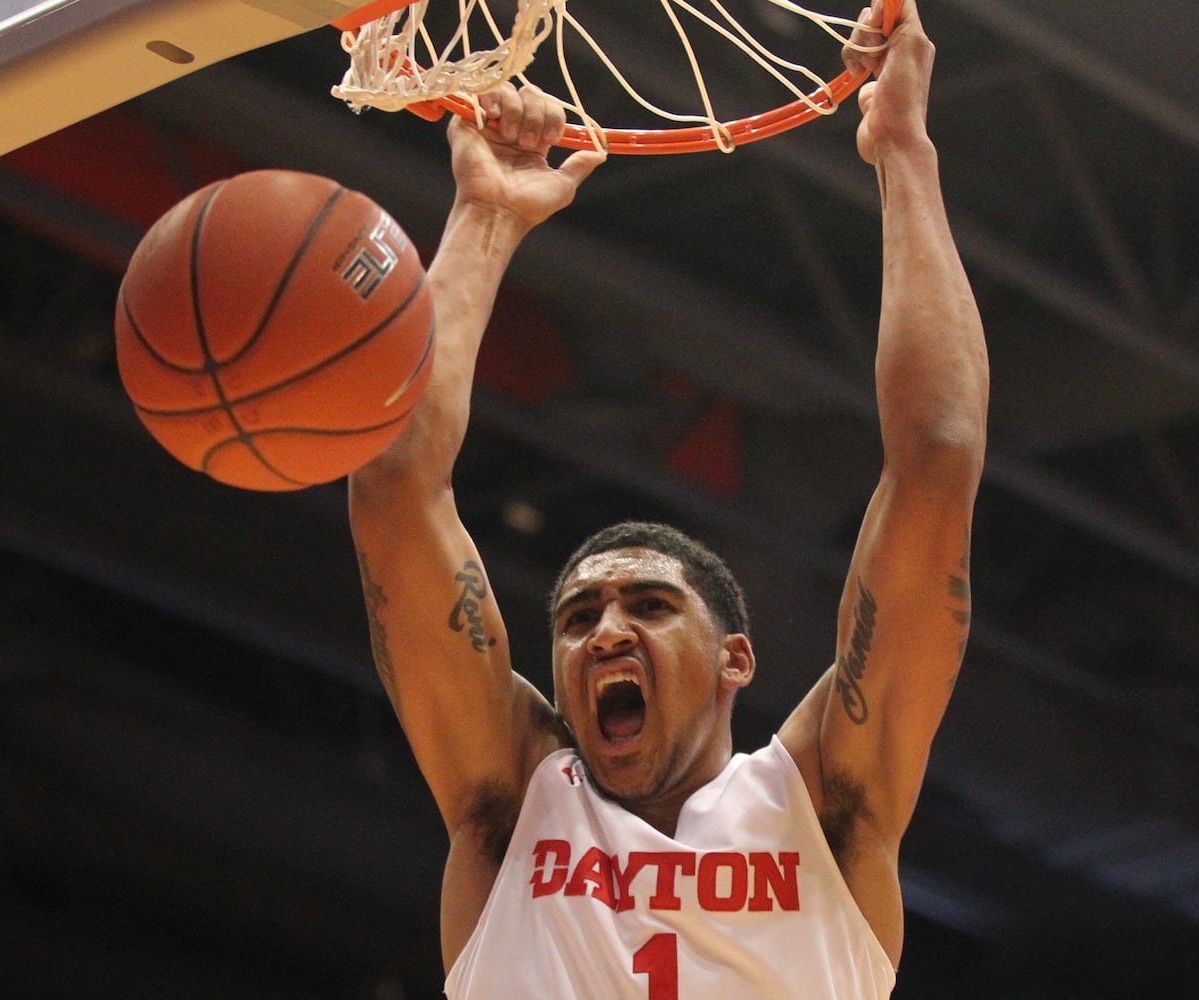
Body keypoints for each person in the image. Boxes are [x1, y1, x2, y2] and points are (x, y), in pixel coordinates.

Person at [347, 0, 987, 994]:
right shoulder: (512, 799)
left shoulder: (822, 806)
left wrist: (906, 151)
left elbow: (938, 459)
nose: (602, 631)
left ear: (736, 657)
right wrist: (485, 216)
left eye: (648, 605)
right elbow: (394, 484)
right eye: (577, 616)